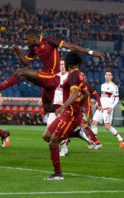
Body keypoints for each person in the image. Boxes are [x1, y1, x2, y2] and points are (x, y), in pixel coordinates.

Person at [0, 29, 104, 114]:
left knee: (21, 72)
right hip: (46, 78)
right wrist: (18, 52)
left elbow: (71, 47)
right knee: (48, 109)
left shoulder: (49, 41)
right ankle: (72, 113)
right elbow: (26, 62)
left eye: (26, 40)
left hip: (53, 77)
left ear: (33, 38)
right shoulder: (33, 47)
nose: (25, 42)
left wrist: (91, 52)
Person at [42, 51, 89, 180]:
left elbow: (74, 94)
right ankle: (77, 134)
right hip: (68, 112)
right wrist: (79, 105)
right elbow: (85, 93)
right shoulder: (78, 74)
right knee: (46, 136)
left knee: (53, 143)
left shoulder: (73, 75)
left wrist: (64, 107)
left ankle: (58, 174)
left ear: (68, 63)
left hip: (70, 114)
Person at [91, 70, 124, 147]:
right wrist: (98, 103)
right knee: (94, 123)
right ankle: (95, 142)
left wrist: (111, 107)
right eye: (106, 74)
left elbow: (116, 99)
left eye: (109, 75)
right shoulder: (102, 85)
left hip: (108, 109)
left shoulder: (114, 86)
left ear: (111, 76)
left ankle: (120, 139)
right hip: (101, 108)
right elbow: (102, 97)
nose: (107, 76)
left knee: (107, 126)